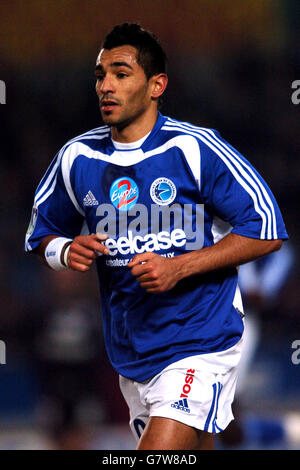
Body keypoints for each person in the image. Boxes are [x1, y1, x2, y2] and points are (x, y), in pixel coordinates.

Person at [24, 23, 288, 450]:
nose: (106, 86)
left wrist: (179, 266)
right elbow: (41, 234)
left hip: (201, 341)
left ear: (156, 85)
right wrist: (65, 250)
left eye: (121, 73)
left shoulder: (194, 148)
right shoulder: (78, 157)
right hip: (133, 353)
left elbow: (268, 231)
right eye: (100, 75)